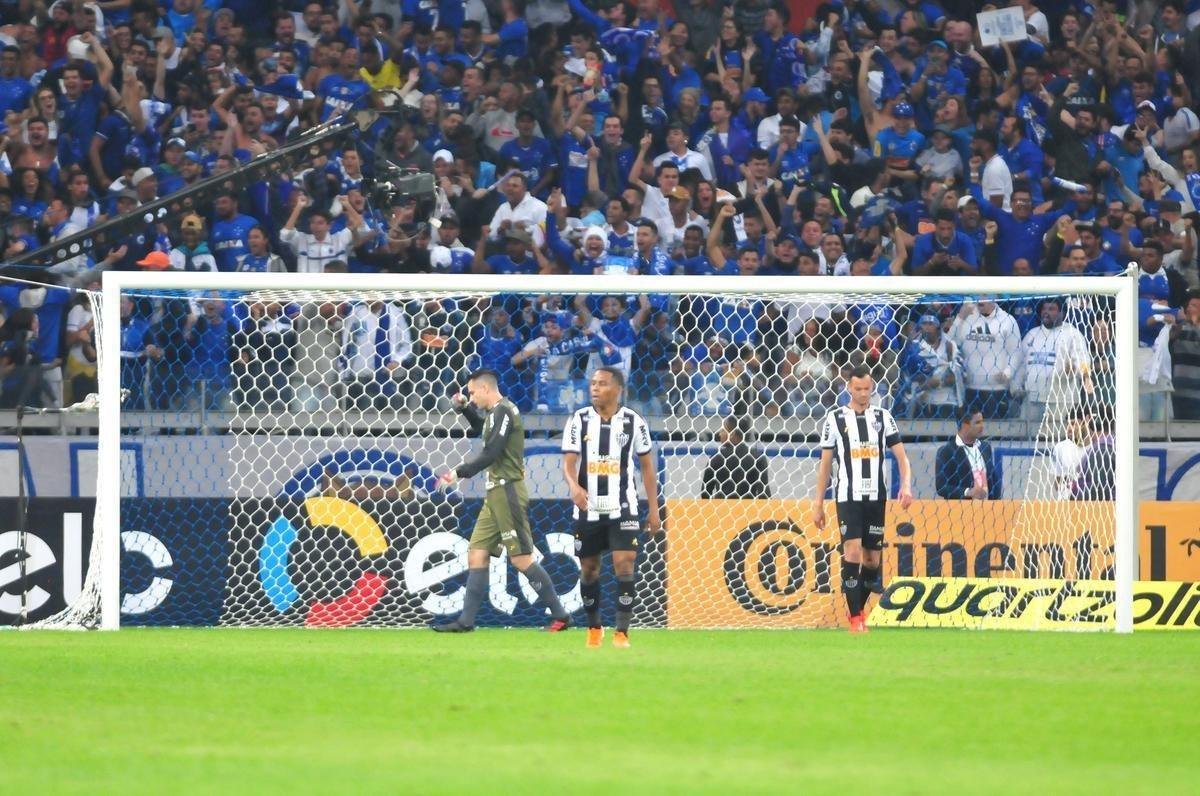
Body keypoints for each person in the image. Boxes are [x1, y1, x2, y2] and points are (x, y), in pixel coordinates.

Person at [433, 369, 571, 633]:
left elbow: (491, 451)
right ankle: (466, 621)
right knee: (477, 553)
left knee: (520, 559)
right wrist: (464, 410)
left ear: (486, 388)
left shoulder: (504, 411)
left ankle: (561, 615)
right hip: (494, 493)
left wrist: (457, 473)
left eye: (472, 393)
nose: (471, 398)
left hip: (507, 491)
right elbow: (483, 431)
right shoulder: (497, 414)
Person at [561, 366, 663, 648]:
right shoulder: (578, 420)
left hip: (624, 507)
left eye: (602, 384)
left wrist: (654, 510)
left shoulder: (634, 422)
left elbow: (647, 468)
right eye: (592, 383)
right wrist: (573, 486)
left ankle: (622, 631)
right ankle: (594, 627)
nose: (594, 388)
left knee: (624, 564)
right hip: (587, 508)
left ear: (618, 389)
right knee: (590, 568)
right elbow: (568, 463)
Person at [813, 365, 913, 634]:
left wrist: (906, 485)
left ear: (873, 388)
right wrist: (818, 503)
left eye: (867, 389)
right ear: (848, 388)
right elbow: (825, 466)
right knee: (853, 552)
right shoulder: (835, 419)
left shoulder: (883, 417)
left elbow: (903, 458)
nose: (863, 393)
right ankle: (856, 617)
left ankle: (856, 608)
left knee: (872, 562)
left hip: (875, 498)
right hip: (848, 496)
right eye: (857, 388)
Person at [935, 411, 1001, 500]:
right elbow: (941, 487)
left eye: (982, 422)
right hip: (961, 510)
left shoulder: (985, 447)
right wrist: (968, 492)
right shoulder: (947, 451)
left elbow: (994, 479)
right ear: (965, 425)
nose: (982, 426)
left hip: (988, 509)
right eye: (977, 423)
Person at [701, 415, 771, 499]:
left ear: (732, 433)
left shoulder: (716, 458)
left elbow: (705, 493)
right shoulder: (758, 458)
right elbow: (764, 494)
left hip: (722, 509)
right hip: (747, 509)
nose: (719, 434)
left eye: (723, 430)